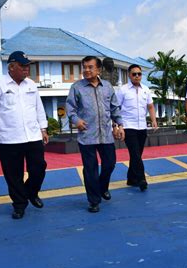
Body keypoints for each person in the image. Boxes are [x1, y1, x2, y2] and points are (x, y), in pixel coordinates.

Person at [0, 51, 48, 219]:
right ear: (11, 67)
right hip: (9, 138)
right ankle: (19, 205)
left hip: (33, 136)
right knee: (13, 175)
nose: (26, 69)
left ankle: (31, 192)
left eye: (28, 66)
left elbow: (38, 108)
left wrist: (43, 128)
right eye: (22, 66)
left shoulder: (31, 85)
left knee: (39, 168)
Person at [66, 56, 125, 213]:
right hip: (87, 136)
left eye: (90, 67)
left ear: (99, 70)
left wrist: (119, 125)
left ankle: (102, 186)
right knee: (90, 169)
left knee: (110, 163)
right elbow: (70, 109)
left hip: (106, 134)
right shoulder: (76, 87)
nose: (86, 70)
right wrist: (76, 120)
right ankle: (93, 200)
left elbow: (114, 108)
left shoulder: (107, 87)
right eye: (84, 67)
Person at [116, 64, 158, 192]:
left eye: (139, 74)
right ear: (129, 75)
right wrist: (118, 126)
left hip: (142, 127)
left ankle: (131, 178)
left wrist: (154, 120)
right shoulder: (123, 90)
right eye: (134, 74)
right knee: (135, 154)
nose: (137, 76)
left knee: (137, 154)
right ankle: (141, 179)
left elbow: (150, 106)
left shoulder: (146, 89)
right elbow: (116, 108)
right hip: (128, 126)